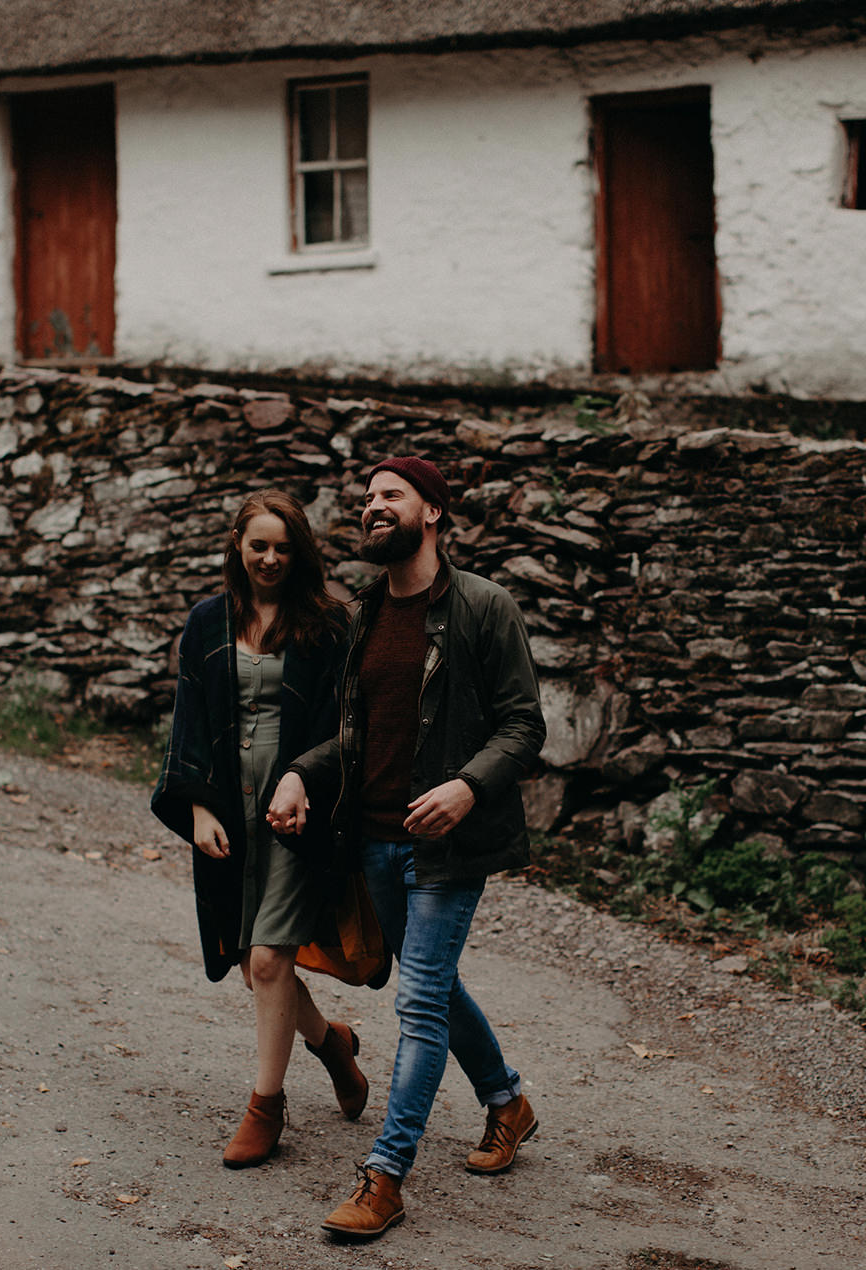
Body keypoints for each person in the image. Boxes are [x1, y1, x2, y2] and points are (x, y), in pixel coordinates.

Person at [267, 456, 547, 1240]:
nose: (374, 506)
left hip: (449, 848)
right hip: (376, 844)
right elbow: (354, 738)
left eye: (392, 495)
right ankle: (507, 1101)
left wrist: (466, 787)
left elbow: (524, 725)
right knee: (435, 986)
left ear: (433, 513)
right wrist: (297, 773)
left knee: (419, 1000)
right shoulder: (363, 617)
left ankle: (384, 1177)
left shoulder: (483, 608)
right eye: (368, 499)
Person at [151, 489, 369, 1169]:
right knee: (253, 964)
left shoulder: (329, 626)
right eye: (258, 546)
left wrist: (305, 777)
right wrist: (196, 809)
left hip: (297, 813)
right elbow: (187, 721)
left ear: (298, 552)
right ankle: (332, 1044)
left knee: (272, 959)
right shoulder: (208, 620)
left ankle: (266, 1108)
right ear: (237, 548)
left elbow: (348, 728)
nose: (270, 559)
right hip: (230, 812)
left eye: (282, 547)